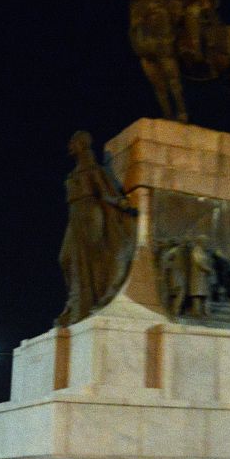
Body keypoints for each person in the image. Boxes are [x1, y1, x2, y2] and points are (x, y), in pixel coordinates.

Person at [57, 131, 136, 326]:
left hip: (90, 214)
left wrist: (122, 204)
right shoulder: (75, 172)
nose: (70, 146)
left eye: (73, 142)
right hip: (75, 216)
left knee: (85, 260)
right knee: (65, 258)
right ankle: (76, 303)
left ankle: (81, 306)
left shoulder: (93, 169)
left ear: (82, 145)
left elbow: (104, 192)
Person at [187, 234, 213, 317]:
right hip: (197, 278)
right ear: (200, 242)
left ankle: (204, 312)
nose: (206, 243)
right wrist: (208, 269)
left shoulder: (203, 251)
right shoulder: (196, 251)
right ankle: (197, 312)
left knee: (203, 295)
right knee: (197, 296)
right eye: (205, 241)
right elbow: (199, 262)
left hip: (203, 277)